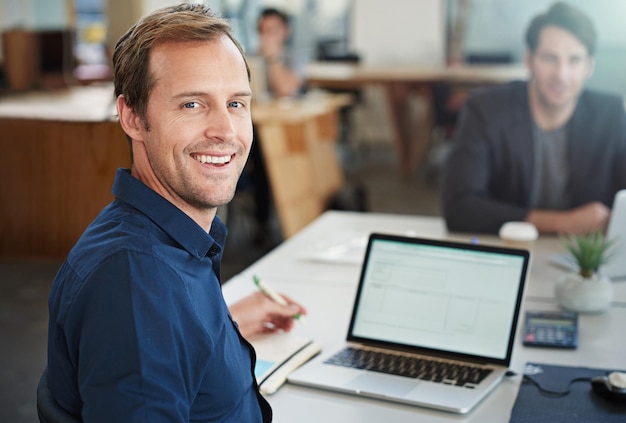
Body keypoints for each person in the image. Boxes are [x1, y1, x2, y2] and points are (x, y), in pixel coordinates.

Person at [43, 4, 306, 422]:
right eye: (191, 105)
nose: (225, 130)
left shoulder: (168, 244)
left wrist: (224, 324)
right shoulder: (134, 284)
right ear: (132, 115)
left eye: (236, 104)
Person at [441, 2, 626, 234]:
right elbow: (459, 207)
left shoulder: (610, 114)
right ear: (529, 60)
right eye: (549, 58)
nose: (561, 74)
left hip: (585, 259)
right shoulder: (485, 110)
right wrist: (562, 223)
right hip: (508, 249)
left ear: (590, 66)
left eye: (575, 60)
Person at [256, 7, 306, 98]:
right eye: (262, 31)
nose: (266, 36)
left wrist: (273, 58)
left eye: (271, 31)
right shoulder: (254, 58)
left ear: (286, 30)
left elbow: (285, 91)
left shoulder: (296, 56)